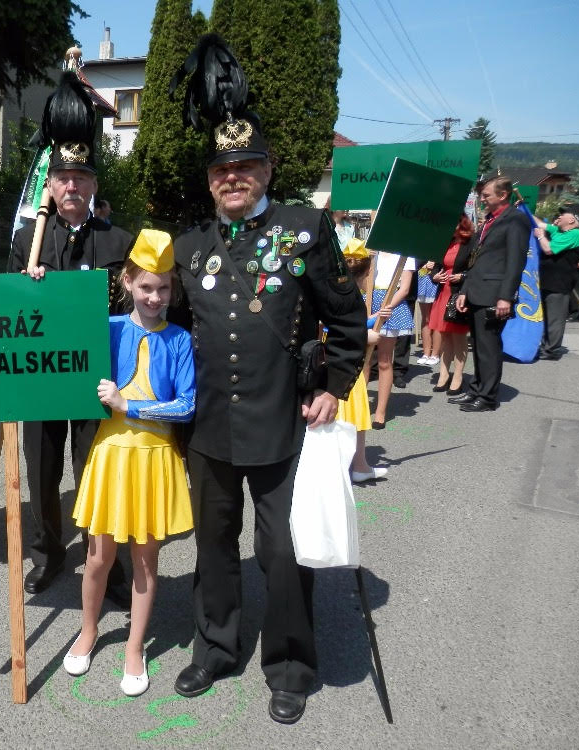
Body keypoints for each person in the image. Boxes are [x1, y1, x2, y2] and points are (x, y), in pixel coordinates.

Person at [167, 35, 367, 725]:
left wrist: (333, 387)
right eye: (223, 169)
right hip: (210, 428)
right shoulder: (188, 247)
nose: (234, 177)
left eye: (245, 166)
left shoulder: (304, 230)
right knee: (213, 547)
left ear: (267, 169)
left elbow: (348, 319)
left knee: (283, 551)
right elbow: (167, 327)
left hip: (285, 423)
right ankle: (216, 647)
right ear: (210, 179)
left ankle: (289, 665)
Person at [8, 71, 134, 603]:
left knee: (95, 473)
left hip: (95, 382)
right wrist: (26, 288)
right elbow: (8, 315)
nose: (72, 187)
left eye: (81, 177)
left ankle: (107, 565)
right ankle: (48, 554)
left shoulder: (119, 241)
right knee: (41, 473)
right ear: (50, 184)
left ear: (93, 184)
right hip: (42, 381)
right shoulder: (27, 242)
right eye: (63, 177)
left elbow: (134, 312)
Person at [63, 229, 195, 697]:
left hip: (156, 459)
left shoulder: (180, 339)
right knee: (97, 556)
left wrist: (129, 405)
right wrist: (36, 280)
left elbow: (186, 405)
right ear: (127, 282)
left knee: (145, 558)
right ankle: (88, 629)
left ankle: (134, 646)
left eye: (163, 288)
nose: (155, 297)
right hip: (110, 456)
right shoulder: (107, 328)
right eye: (146, 287)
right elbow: (60, 328)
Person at [453, 177, 530, 411]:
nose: (482, 199)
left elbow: (516, 262)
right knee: (478, 345)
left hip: (494, 294)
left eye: (486, 195)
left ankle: (487, 397)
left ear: (503, 195)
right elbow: (477, 260)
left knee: (489, 347)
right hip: (477, 291)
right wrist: (465, 290)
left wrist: (506, 296)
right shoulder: (490, 219)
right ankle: (476, 389)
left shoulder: (515, 219)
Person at [338, 238, 389, 483]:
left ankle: (359, 464)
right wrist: (364, 335)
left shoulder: (345, 291)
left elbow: (352, 323)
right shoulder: (346, 294)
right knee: (352, 415)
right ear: (368, 271)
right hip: (344, 364)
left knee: (352, 414)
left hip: (347, 363)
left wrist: (376, 317)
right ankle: (354, 466)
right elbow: (332, 327)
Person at [429, 215, 476, 395]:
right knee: (444, 336)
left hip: (459, 294)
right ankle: (443, 374)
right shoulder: (445, 242)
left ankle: (458, 376)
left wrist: (462, 276)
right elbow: (436, 266)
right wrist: (435, 276)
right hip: (443, 292)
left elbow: (476, 269)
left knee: (458, 337)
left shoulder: (471, 242)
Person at [370, 250, 415, 428]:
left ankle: (380, 412)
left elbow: (404, 289)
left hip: (390, 306)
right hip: (368, 301)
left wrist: (384, 309)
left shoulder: (405, 254)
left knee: (384, 360)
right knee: (363, 361)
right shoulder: (370, 250)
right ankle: (359, 406)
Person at [532, 207, 579, 360]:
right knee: (546, 317)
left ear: (571, 220)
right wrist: (525, 209)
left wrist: (541, 237)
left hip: (559, 283)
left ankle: (551, 350)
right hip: (547, 281)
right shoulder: (559, 231)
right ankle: (545, 346)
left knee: (554, 319)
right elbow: (540, 224)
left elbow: (548, 249)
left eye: (563, 215)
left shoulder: (575, 234)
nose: (559, 217)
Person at [415, 261, 440, 366]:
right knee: (426, 318)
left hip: (438, 279)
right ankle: (426, 353)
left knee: (436, 319)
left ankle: (435, 354)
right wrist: (422, 266)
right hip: (423, 277)